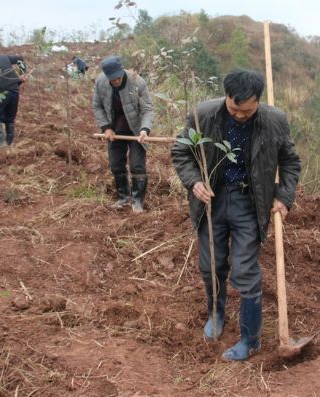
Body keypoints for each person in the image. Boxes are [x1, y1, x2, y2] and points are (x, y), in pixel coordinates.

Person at [171, 69, 301, 361]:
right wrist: (194, 181)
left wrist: (284, 196)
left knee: (245, 270)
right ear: (226, 97)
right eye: (234, 109)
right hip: (212, 202)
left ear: (258, 102)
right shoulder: (203, 114)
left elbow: (290, 162)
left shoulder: (274, 121)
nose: (240, 115)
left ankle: (250, 339)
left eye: (247, 110)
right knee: (211, 264)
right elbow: (181, 152)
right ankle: (216, 313)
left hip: (250, 202)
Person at [92, 55, 154, 213]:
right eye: (113, 79)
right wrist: (106, 127)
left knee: (137, 166)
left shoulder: (137, 82)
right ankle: (124, 198)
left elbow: (147, 109)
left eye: (119, 78)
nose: (116, 81)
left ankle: (138, 200)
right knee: (116, 165)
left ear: (122, 71)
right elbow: (97, 106)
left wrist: (144, 130)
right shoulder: (100, 82)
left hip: (136, 130)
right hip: (115, 129)